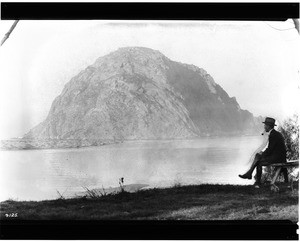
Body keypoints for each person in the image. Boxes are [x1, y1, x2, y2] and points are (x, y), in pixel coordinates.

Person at [239, 117, 288, 187]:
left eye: (265, 125)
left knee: (258, 160)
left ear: (268, 126)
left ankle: (254, 178)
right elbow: (271, 149)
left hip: (278, 158)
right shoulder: (275, 134)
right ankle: (250, 174)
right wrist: (263, 153)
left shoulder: (273, 135)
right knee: (258, 156)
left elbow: (270, 149)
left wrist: (263, 154)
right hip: (278, 156)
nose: (264, 127)